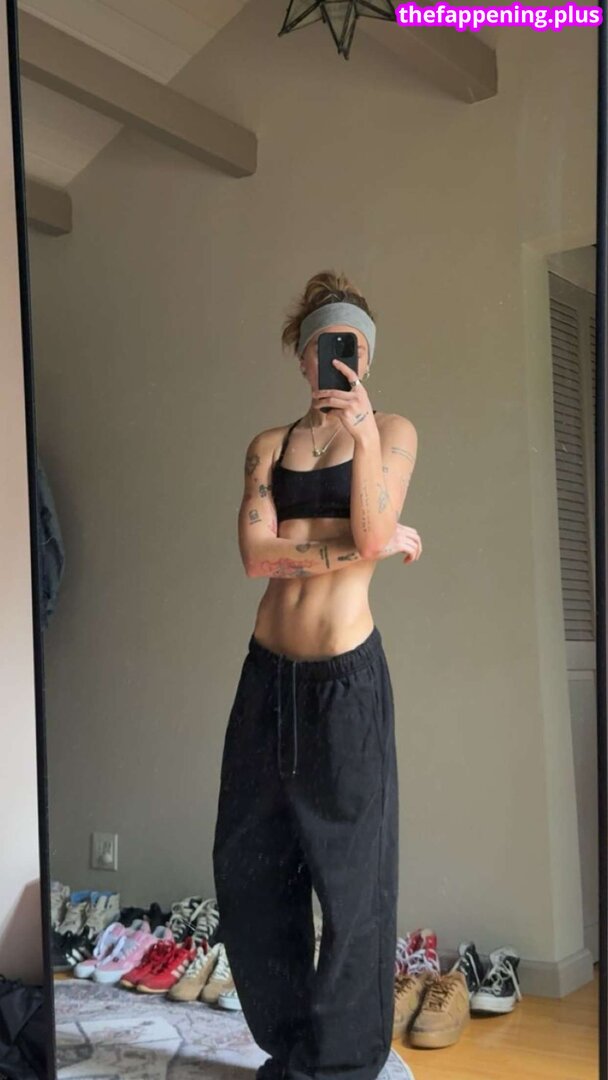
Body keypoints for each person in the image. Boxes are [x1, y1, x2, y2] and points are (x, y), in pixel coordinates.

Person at [212, 270, 422, 1080]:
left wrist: (363, 442)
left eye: (356, 349)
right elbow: (255, 556)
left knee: (352, 879)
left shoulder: (393, 431)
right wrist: (369, 544)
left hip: (345, 682)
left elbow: (366, 526)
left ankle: (343, 1066)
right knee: (251, 866)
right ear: (305, 356)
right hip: (267, 678)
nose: (343, 361)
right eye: (330, 347)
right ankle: (290, 1048)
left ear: (368, 358)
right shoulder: (268, 446)